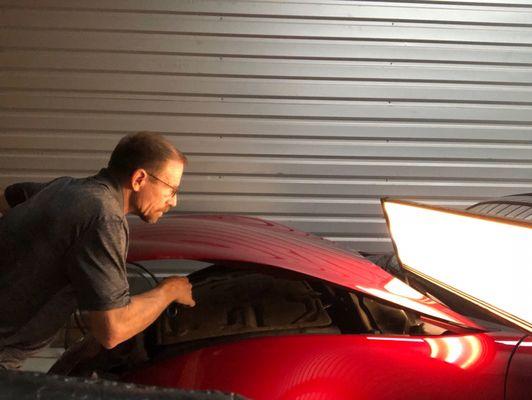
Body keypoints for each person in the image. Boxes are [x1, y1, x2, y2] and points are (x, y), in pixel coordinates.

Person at [0, 132, 195, 370]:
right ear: (139, 179)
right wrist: (169, 291)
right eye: (171, 190)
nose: (173, 201)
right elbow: (112, 330)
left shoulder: (66, 187)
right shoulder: (104, 216)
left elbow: (8, 199)